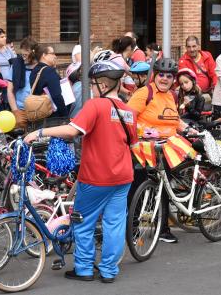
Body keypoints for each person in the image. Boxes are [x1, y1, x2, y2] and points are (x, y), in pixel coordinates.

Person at [24, 60, 137, 283]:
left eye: (94, 84)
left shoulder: (96, 106)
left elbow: (71, 131)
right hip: (123, 176)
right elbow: (132, 144)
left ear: (103, 85)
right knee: (114, 223)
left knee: (83, 222)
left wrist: (39, 133)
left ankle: (84, 268)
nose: (92, 88)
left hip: (95, 176)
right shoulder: (128, 111)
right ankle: (108, 271)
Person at [127, 58, 187, 243]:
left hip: (165, 149)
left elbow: (176, 121)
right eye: (161, 74)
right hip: (143, 149)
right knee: (137, 187)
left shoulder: (172, 96)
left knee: (165, 187)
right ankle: (133, 228)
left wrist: (190, 130)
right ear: (155, 75)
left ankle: (163, 229)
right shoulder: (145, 93)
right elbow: (128, 117)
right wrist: (140, 132)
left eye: (169, 76)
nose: (165, 79)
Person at [7, 37, 39, 129]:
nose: (23, 57)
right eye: (22, 54)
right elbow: (10, 90)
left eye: (26, 55)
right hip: (20, 109)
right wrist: (15, 110)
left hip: (39, 110)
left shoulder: (41, 67)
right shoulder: (16, 65)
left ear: (33, 53)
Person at [29, 45, 67, 119]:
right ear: (44, 55)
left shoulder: (34, 71)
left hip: (39, 113)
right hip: (53, 116)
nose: (55, 56)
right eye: (52, 53)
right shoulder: (49, 71)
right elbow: (56, 96)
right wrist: (65, 115)